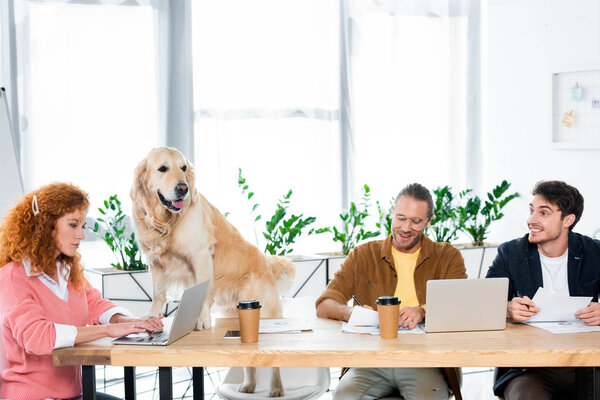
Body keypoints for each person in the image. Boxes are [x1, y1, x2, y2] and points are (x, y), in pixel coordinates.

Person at [0, 183, 164, 400]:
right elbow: (37, 337)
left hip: (74, 394)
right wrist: (108, 331)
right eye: (73, 225)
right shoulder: (14, 276)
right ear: (46, 225)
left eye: (83, 226)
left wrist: (131, 322)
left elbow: (95, 304)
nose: (81, 235)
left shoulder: (66, 269)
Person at [316, 183, 466, 400]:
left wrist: (423, 310)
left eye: (415, 221)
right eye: (401, 218)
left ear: (429, 221)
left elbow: (460, 303)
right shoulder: (362, 255)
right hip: (370, 361)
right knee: (344, 396)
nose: (406, 228)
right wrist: (352, 314)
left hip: (426, 362)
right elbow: (325, 303)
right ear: (392, 213)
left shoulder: (448, 256)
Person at [486, 180, 600, 399]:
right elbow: (485, 300)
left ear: (568, 220)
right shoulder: (511, 253)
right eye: (532, 211)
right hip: (529, 367)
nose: (531, 220)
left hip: (586, 363)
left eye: (544, 213)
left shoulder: (594, 252)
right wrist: (506, 308)